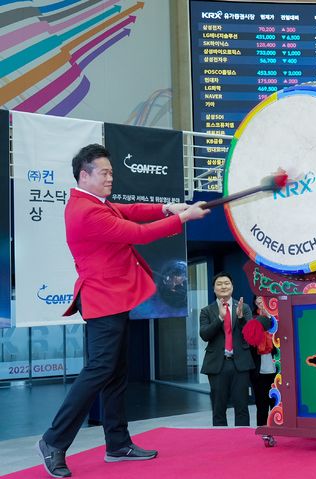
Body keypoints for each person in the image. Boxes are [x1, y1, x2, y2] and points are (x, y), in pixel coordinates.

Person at [37, 144, 209, 478]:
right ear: (84, 175)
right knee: (99, 370)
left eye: (111, 172)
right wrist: (181, 218)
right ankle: (53, 441)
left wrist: (166, 207)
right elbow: (137, 233)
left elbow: (129, 210)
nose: (110, 178)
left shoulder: (94, 203)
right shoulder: (85, 211)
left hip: (112, 298)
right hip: (102, 298)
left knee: (115, 372)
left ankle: (117, 444)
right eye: (104, 173)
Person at [200, 272, 268, 427]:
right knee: (218, 408)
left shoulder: (243, 307)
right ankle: (221, 443)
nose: (223, 286)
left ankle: (242, 442)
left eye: (227, 283)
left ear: (232, 286)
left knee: (242, 407)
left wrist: (242, 317)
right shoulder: (207, 311)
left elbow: (251, 335)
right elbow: (204, 335)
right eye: (219, 284)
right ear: (214, 288)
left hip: (240, 364)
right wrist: (220, 319)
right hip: (217, 364)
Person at [248, 295, 276, 427]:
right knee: (261, 403)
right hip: (258, 369)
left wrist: (270, 318)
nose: (261, 303)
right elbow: (249, 341)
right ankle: (262, 430)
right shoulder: (252, 319)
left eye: (263, 300)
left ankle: (278, 428)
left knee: (276, 403)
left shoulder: (276, 319)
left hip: (275, 368)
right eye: (258, 300)